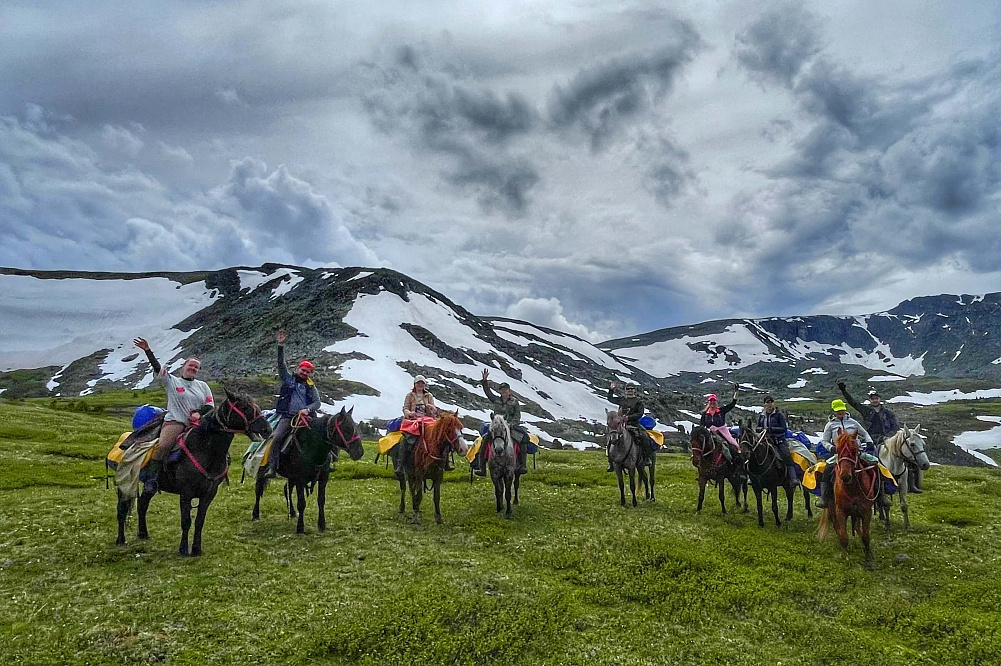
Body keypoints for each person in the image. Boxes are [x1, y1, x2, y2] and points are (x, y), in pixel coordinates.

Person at [133, 337, 214, 492]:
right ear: (184, 367)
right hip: (176, 422)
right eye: (191, 365)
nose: (193, 369)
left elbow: (210, 406)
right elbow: (157, 368)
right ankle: (151, 480)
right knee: (163, 446)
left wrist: (199, 412)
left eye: (196, 367)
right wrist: (148, 351)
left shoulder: (203, 386)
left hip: (197, 424)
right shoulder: (172, 381)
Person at [837, 380, 917, 492]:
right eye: (872, 399)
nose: (875, 400)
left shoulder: (888, 412)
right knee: (872, 460)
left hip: (890, 438)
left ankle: (911, 484)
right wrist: (843, 391)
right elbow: (853, 403)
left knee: (907, 453)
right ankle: (877, 483)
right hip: (874, 439)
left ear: (879, 399)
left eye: (876, 398)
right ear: (870, 401)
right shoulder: (866, 411)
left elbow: (895, 425)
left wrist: (889, 436)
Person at [263, 330, 321, 478]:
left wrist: (307, 410)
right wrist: (280, 345)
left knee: (323, 435)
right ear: (297, 369)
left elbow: (317, 403)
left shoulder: (311, 386)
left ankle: (326, 464)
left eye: (308, 371)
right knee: (277, 438)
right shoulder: (288, 379)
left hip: (307, 418)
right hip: (288, 417)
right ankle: (272, 467)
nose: (305, 373)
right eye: (303, 370)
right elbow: (281, 364)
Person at [816, 398, 881, 509]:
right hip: (839, 454)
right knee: (827, 469)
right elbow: (824, 440)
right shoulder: (830, 425)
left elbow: (864, 433)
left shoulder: (853, 422)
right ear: (834, 411)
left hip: (856, 453)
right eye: (838, 410)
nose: (840, 412)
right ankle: (825, 497)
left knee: (875, 464)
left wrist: (869, 442)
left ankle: (880, 496)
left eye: (842, 410)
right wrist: (831, 448)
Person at [477, 369, 528, 476]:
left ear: (509, 391)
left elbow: (517, 415)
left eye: (505, 390)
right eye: (502, 390)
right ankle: (482, 468)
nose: (504, 392)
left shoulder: (514, 402)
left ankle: (522, 465)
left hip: (510, 426)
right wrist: (484, 381)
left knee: (523, 439)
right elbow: (488, 393)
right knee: (484, 442)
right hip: (497, 426)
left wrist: (512, 424)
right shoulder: (496, 400)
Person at [605, 382, 657, 472]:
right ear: (626, 391)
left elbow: (640, 413)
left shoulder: (638, 402)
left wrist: (629, 417)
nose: (630, 390)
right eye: (628, 389)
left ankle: (647, 458)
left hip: (634, 424)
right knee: (611, 439)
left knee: (645, 437)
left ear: (634, 390)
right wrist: (611, 389)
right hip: (621, 425)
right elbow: (610, 399)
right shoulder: (622, 400)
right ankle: (611, 462)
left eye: (631, 389)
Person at [757, 396, 798, 486]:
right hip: (764, 440)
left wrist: (771, 429)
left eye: (771, 402)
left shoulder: (778, 415)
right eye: (767, 403)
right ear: (764, 404)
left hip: (778, 440)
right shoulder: (762, 416)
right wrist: (760, 429)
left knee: (786, 455)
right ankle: (753, 477)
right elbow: (757, 427)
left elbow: (783, 429)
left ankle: (793, 478)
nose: (770, 404)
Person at [700, 386, 741, 461]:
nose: (712, 403)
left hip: (722, 431)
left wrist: (736, 392)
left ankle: (737, 457)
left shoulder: (721, 411)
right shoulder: (705, 414)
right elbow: (702, 425)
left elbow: (732, 405)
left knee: (731, 442)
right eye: (711, 401)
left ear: (716, 402)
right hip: (710, 432)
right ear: (708, 402)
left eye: (714, 401)